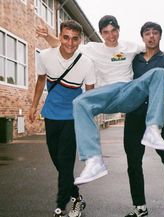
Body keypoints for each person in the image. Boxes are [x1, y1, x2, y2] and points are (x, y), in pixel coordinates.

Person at [37, 15, 164, 186]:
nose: (111, 36)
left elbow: (152, 47)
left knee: (159, 73)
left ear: (118, 30)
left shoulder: (130, 46)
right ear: (101, 34)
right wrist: (47, 36)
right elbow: (66, 46)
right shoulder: (92, 48)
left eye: (114, 31)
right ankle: (94, 161)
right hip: (105, 95)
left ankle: (153, 129)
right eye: (106, 33)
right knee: (79, 102)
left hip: (127, 93)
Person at [29, 20, 96, 217]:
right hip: (51, 114)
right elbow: (41, 80)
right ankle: (76, 196)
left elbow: (89, 95)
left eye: (75, 39)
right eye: (66, 37)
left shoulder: (86, 63)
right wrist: (33, 105)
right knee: (57, 159)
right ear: (60, 37)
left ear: (80, 40)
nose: (70, 43)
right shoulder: (46, 56)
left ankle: (61, 205)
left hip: (73, 116)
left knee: (66, 160)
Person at [124, 22, 164, 217]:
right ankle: (139, 208)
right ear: (142, 37)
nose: (151, 36)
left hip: (159, 118)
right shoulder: (134, 60)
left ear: (160, 36)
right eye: (147, 33)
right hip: (134, 117)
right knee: (133, 162)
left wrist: (152, 95)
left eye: (155, 33)